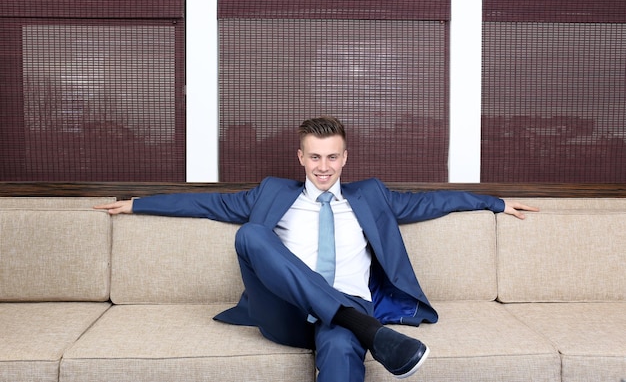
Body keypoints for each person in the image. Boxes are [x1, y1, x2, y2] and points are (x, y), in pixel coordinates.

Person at [95, 116, 538, 382]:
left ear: (344, 158)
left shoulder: (372, 196)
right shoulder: (271, 194)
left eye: (332, 157)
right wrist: (138, 205)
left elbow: (432, 202)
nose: (323, 167)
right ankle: (365, 329)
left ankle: (351, 325)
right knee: (251, 235)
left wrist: (494, 202)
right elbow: (207, 204)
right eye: (314, 157)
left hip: (350, 304)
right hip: (284, 313)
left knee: (343, 348)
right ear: (300, 158)